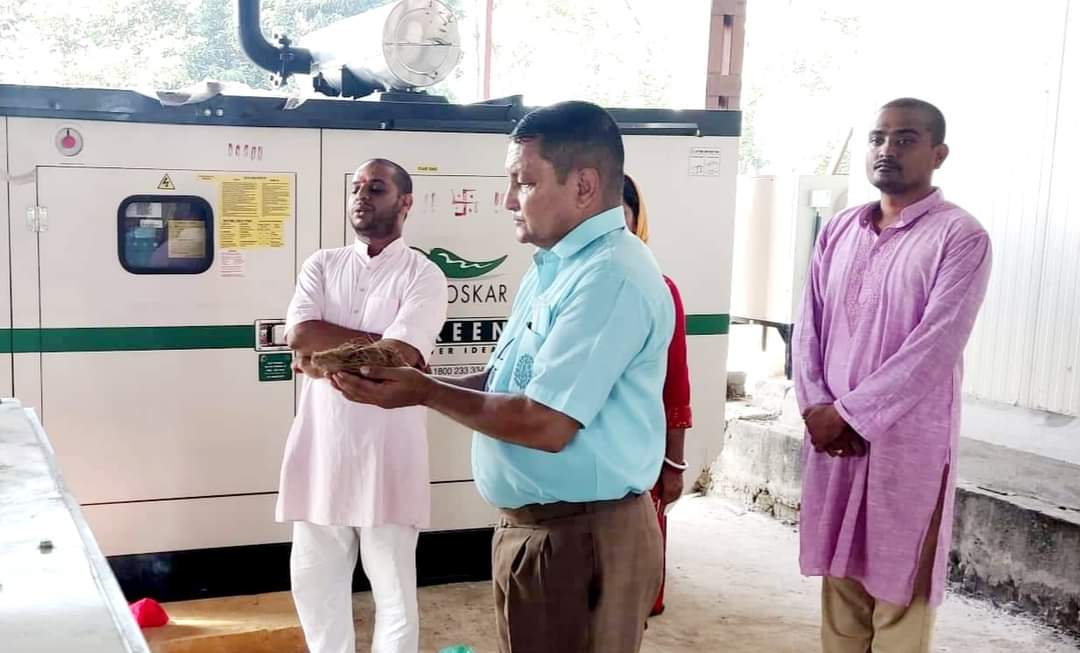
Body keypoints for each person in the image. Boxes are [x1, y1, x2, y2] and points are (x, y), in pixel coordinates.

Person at [330, 101, 673, 653]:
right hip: (543, 530)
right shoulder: (556, 267)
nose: (510, 199)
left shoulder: (610, 276)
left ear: (584, 186)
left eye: (525, 182)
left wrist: (425, 391)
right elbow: (505, 382)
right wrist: (414, 385)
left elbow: (546, 423)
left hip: (580, 536)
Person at [794, 98, 992, 652]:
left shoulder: (961, 237)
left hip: (904, 447)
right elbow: (808, 327)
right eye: (878, 138)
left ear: (938, 154)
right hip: (833, 442)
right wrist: (814, 408)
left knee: (900, 595)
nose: (887, 150)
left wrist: (849, 416)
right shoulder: (840, 230)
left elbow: (935, 347)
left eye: (905, 139)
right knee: (841, 590)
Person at [279, 158, 448, 653]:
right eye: (357, 188)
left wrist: (325, 358)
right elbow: (299, 333)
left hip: (388, 452)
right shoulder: (322, 264)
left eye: (376, 188)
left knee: (394, 594)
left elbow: (401, 355)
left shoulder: (424, 275)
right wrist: (380, 345)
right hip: (322, 448)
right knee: (315, 585)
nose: (361, 197)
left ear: (405, 202)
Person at [622, 173, 692, 617]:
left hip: (639, 457)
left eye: (619, 212)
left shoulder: (659, 290)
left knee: (633, 581)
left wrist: (674, 464)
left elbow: (676, 384)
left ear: (636, 217)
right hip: (578, 457)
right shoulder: (560, 283)